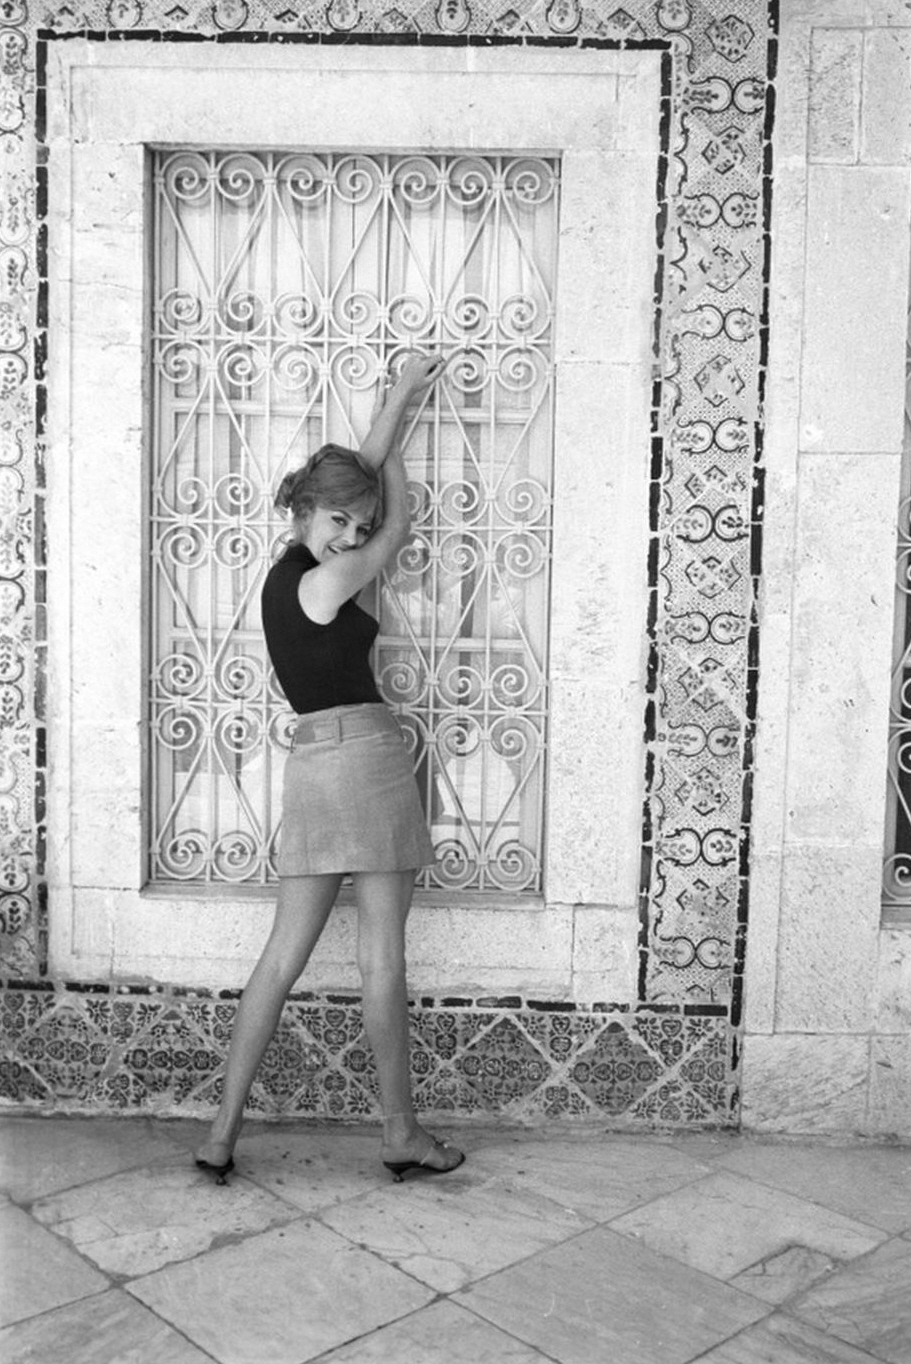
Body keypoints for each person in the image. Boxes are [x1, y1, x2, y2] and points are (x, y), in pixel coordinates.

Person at [195, 353, 464, 1185]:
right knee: (381, 959)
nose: (349, 535)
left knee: (281, 957)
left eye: (355, 523)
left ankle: (220, 1132)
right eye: (339, 520)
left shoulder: (283, 582)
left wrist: (398, 397)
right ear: (304, 510)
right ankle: (400, 1133)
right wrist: (400, 454)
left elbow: (358, 488)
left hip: (311, 765)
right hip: (368, 762)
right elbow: (398, 526)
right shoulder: (329, 582)